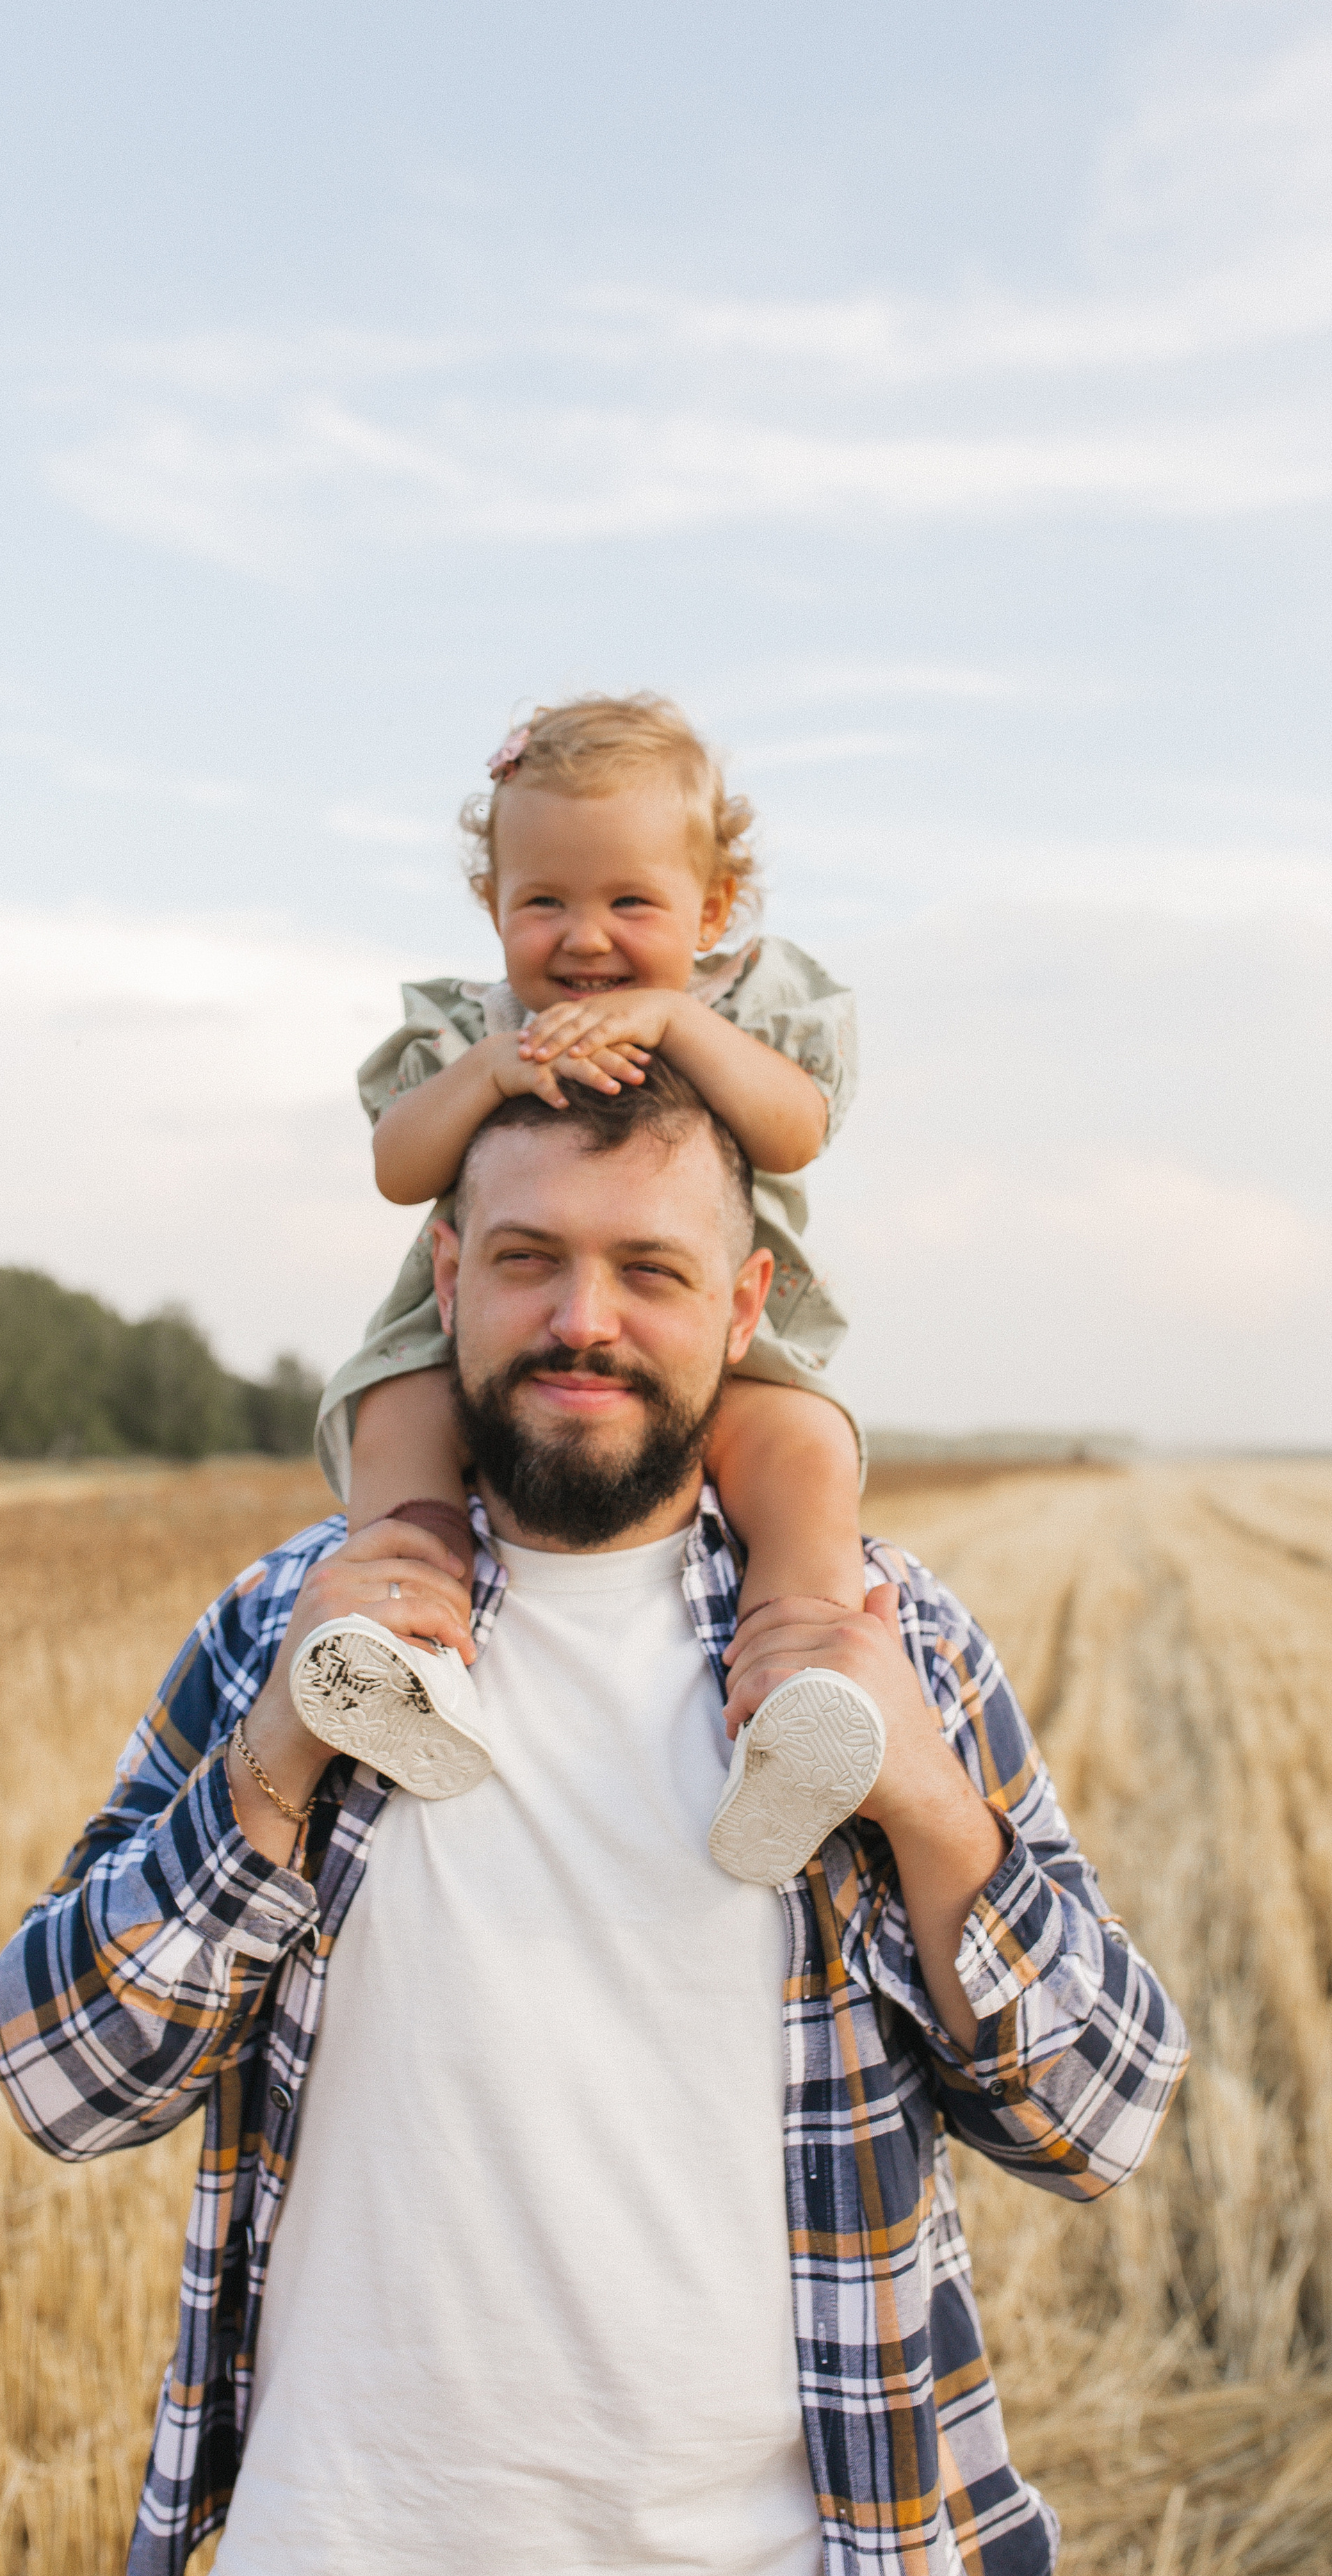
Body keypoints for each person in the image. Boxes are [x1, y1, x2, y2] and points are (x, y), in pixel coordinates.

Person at [0, 1058, 1189, 2576]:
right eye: (531, 1258)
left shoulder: (883, 1649)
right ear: (448, 1276)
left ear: (747, 1301)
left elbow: (1095, 2121)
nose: (581, 1319)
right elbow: (65, 2077)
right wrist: (279, 1741)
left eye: (650, 1270)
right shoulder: (295, 1627)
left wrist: (927, 1809)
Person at [298, 694, 884, 1886]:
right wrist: (488, 1073)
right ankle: (402, 1648)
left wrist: (676, 1023)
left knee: (809, 1451)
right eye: (544, 902)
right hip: (466, 1339)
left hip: (720, 1345)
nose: (585, 939)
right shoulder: (475, 1029)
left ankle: (798, 1689)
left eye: (631, 903)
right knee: (395, 1419)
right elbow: (398, 1164)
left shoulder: (741, 1014)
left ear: (712, 910)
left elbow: (797, 1129)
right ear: (493, 907)